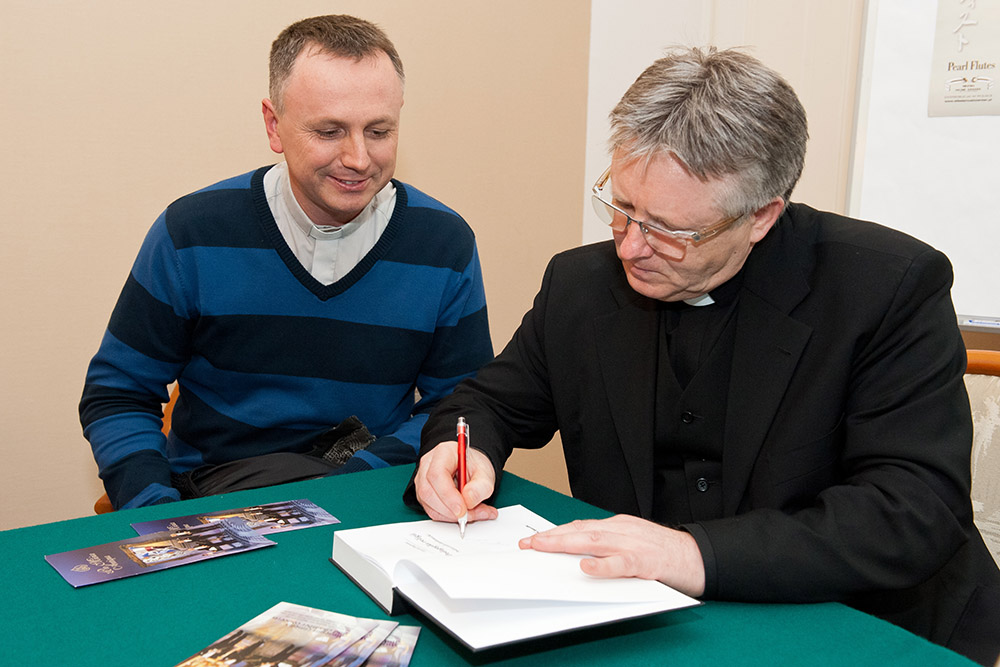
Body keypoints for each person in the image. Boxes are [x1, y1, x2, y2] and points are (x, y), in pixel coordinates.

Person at [406, 47, 1000, 664]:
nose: (630, 247)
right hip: (655, 627)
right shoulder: (580, 285)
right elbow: (490, 403)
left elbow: (912, 511)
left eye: (669, 229)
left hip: (863, 624)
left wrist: (690, 554)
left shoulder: (888, 287)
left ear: (761, 216)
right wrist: (462, 451)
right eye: (621, 209)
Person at [80, 15, 493, 510]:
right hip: (213, 500)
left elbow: (461, 405)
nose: (359, 158)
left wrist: (347, 485)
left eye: (379, 131)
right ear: (274, 125)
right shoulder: (191, 233)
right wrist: (155, 507)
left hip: (369, 498)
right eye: (330, 131)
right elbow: (118, 393)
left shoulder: (443, 243)